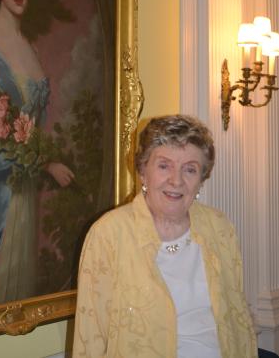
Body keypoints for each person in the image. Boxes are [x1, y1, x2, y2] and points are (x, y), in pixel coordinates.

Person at [73, 114, 258, 358]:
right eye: (164, 166)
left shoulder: (219, 228)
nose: (176, 180)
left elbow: (238, 322)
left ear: (202, 179)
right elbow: (90, 336)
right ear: (142, 171)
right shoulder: (108, 234)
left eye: (190, 169)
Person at [0, 0, 74, 304]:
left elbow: (31, 131)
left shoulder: (30, 48)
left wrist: (46, 159)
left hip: (25, 194)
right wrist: (44, 163)